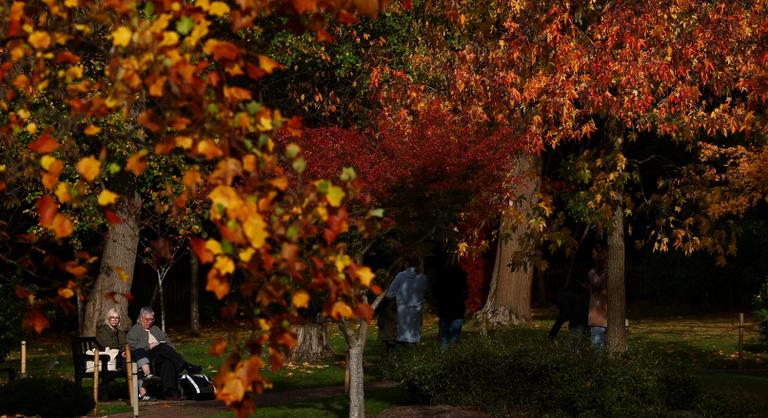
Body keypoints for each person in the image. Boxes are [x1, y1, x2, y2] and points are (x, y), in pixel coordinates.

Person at [126, 307, 201, 400]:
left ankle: (169, 392)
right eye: (147, 319)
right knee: (161, 347)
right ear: (141, 318)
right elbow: (131, 345)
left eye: (152, 319)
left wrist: (165, 347)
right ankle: (185, 365)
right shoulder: (135, 330)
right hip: (147, 356)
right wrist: (149, 345)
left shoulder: (156, 329)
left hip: (162, 355)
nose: (150, 322)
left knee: (167, 362)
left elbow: (169, 343)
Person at [385, 259, 429, 346]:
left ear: (406, 264)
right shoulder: (423, 278)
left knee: (403, 337)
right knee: (414, 336)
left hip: (403, 312)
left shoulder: (400, 276)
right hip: (417, 311)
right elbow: (427, 293)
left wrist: (398, 295)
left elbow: (389, 294)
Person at [433, 253, 468, 348]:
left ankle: (445, 358)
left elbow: (435, 292)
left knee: (445, 336)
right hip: (457, 309)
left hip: (445, 309)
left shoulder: (441, 275)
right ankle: (452, 358)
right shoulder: (462, 275)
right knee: (455, 336)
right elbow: (465, 293)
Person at [588, 245, 609, 351]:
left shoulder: (608, 270)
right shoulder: (600, 270)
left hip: (601, 317)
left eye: (594, 253)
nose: (593, 256)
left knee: (598, 351)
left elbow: (599, 284)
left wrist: (592, 274)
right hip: (600, 317)